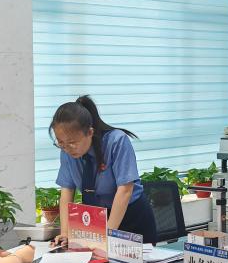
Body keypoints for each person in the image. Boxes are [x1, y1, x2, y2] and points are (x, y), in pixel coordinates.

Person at [50, 95, 158, 245]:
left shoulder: (116, 141)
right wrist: (65, 233)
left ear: (90, 132)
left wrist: (108, 235)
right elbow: (67, 190)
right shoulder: (67, 152)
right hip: (97, 219)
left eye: (72, 142)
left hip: (130, 217)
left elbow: (125, 190)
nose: (67, 148)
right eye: (61, 143)